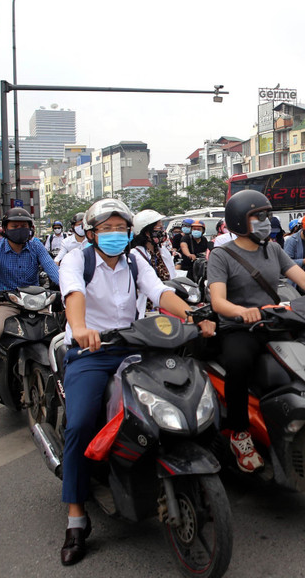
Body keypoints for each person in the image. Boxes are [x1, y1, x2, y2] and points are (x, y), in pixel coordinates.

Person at [57, 198, 215, 566]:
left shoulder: (134, 259)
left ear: (129, 231)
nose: (114, 234)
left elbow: (159, 292)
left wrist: (191, 314)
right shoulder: (77, 259)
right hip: (91, 352)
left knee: (173, 392)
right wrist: (80, 329)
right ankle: (76, 518)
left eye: (120, 228)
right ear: (91, 232)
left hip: (134, 344)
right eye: (106, 228)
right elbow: (73, 294)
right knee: (80, 425)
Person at [207, 190, 305, 475]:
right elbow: (218, 301)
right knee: (238, 364)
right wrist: (240, 311)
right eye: (257, 216)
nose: (265, 221)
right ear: (239, 220)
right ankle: (239, 434)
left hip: (273, 322)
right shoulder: (221, 256)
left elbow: (303, 280)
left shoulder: (272, 249)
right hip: (240, 327)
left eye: (266, 215)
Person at [0, 207, 61, 399]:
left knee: (57, 334)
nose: (20, 229)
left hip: (35, 301)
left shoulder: (36, 246)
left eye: (24, 226)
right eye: (15, 226)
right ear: (5, 228)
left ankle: (61, 374)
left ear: (31, 228)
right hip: (6, 302)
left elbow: (53, 269)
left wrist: (70, 289)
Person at [131, 209, 176, 298]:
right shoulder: (135, 255)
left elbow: (172, 276)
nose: (163, 232)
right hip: (146, 307)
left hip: (166, 303)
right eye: (159, 228)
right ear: (147, 232)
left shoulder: (162, 251)